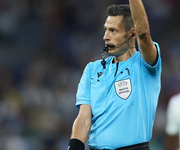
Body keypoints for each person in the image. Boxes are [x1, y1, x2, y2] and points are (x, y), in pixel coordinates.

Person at [68, 0, 162, 150]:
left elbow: (144, 33)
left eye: (113, 31)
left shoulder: (145, 65)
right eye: (105, 30)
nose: (105, 36)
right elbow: (84, 119)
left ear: (132, 34)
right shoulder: (92, 69)